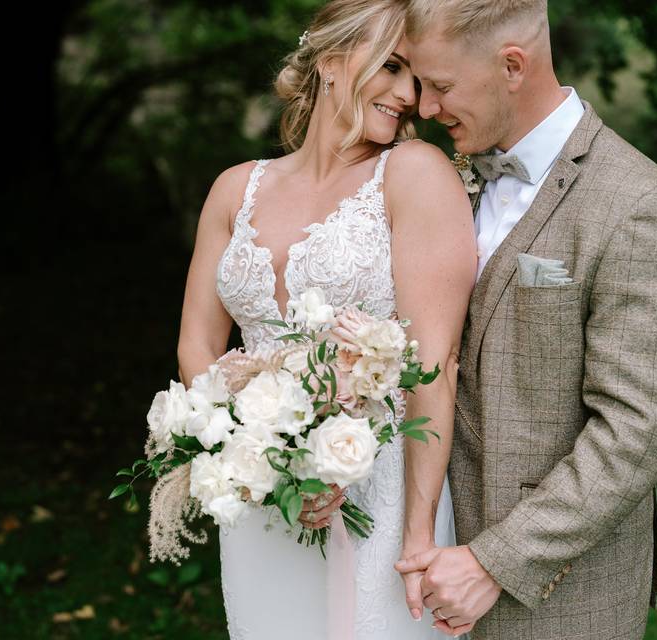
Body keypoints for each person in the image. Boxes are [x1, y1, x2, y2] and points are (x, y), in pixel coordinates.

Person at [393, 1, 657, 639]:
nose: (424, 108)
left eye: (443, 86)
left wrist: (495, 562)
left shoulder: (646, 209)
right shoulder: (435, 180)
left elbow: (634, 432)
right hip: (417, 574)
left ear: (513, 65)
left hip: (559, 598)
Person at [176, 0, 477, 637]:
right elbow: (198, 345)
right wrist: (257, 461)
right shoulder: (236, 188)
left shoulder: (413, 175)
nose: (408, 97)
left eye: (419, 81)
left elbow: (434, 364)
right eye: (392, 68)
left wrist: (419, 533)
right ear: (333, 60)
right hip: (263, 494)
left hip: (378, 492)